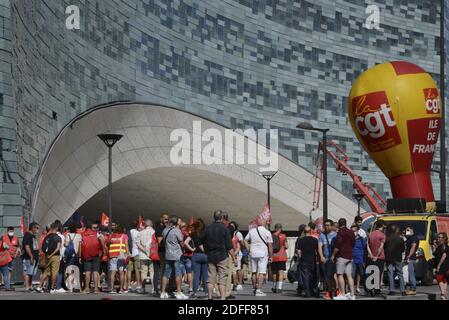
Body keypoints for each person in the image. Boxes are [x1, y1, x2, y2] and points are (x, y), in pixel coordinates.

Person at [203, 210, 234, 300]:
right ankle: (222, 297)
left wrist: (206, 250)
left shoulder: (208, 228)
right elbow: (229, 246)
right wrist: (234, 257)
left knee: (210, 277)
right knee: (222, 277)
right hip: (222, 256)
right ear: (222, 218)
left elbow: (202, 240)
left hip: (210, 255)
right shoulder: (225, 229)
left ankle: (209, 297)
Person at [160, 215, 188, 300]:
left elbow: (164, 241)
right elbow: (181, 243)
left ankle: (163, 292)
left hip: (168, 254)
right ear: (176, 222)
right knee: (178, 273)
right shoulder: (177, 231)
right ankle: (179, 292)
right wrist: (185, 248)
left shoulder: (165, 230)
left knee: (166, 274)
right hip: (177, 255)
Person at [245, 218, 273, 297]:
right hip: (263, 253)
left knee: (254, 272)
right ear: (264, 224)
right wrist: (271, 256)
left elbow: (245, 240)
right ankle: (259, 290)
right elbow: (270, 245)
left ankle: (254, 288)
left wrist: (249, 249)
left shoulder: (252, 231)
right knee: (262, 272)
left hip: (253, 253)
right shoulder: (267, 232)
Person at [331, 218, 356, 300]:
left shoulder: (340, 232)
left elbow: (338, 244)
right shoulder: (351, 232)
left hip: (342, 256)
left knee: (340, 274)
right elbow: (353, 243)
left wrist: (333, 255)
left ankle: (343, 294)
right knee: (349, 275)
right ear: (346, 223)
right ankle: (352, 295)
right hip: (350, 256)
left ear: (339, 224)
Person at [81, 221, 104, 294]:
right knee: (95, 271)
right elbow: (102, 240)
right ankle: (96, 289)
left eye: (97, 227)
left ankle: (87, 288)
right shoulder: (97, 234)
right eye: (95, 228)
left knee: (87, 272)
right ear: (91, 228)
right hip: (96, 254)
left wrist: (80, 255)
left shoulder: (83, 234)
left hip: (86, 255)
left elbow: (81, 244)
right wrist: (103, 249)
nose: (96, 229)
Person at [296, 226, 319, 298]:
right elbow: (317, 251)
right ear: (310, 231)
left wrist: (299, 258)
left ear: (304, 232)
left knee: (305, 277)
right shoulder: (315, 240)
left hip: (304, 260)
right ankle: (312, 291)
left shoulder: (301, 240)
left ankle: (307, 292)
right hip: (312, 261)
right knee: (312, 276)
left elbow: (299, 251)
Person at [384, 224, 406, 296]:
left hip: (389, 257)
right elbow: (403, 249)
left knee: (390, 273)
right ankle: (402, 290)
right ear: (397, 231)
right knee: (400, 273)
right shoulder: (400, 239)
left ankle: (391, 290)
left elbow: (385, 248)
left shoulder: (387, 238)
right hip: (397, 257)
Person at [318, 219, 337, 299]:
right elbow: (319, 246)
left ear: (332, 226)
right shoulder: (322, 235)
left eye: (328, 225)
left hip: (334, 259)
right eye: (325, 225)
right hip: (326, 258)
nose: (326, 227)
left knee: (335, 276)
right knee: (327, 276)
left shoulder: (335, 235)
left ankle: (336, 290)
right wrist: (321, 256)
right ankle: (329, 291)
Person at [108, 225, 129, 294]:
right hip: (121, 256)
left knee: (112, 273)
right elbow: (126, 245)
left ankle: (111, 289)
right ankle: (121, 289)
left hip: (112, 256)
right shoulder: (124, 236)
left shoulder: (111, 236)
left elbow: (108, 244)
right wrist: (127, 254)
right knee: (121, 273)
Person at [42, 223, 62, 294]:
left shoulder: (47, 237)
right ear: (56, 228)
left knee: (46, 272)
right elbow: (58, 248)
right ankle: (52, 288)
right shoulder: (58, 237)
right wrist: (52, 255)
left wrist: (48, 255)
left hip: (47, 256)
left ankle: (40, 286)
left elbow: (43, 247)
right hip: (55, 256)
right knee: (54, 273)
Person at [367, 219, 386, 296]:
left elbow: (367, 245)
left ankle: (371, 289)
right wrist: (377, 256)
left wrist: (371, 254)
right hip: (380, 257)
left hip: (371, 257)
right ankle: (377, 289)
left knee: (372, 273)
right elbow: (381, 247)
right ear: (382, 226)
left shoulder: (371, 234)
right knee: (378, 273)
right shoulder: (382, 235)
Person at [189, 219, 208, 297]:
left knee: (196, 275)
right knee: (205, 275)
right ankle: (207, 292)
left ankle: (195, 292)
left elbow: (186, 242)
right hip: (205, 255)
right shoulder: (206, 233)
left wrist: (192, 249)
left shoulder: (193, 234)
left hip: (196, 254)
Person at [136, 219, 154, 292]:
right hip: (152, 254)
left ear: (145, 225)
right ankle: (153, 288)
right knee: (152, 271)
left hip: (143, 254)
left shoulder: (141, 232)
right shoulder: (154, 232)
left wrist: (144, 250)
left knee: (143, 271)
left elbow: (137, 243)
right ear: (151, 224)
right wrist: (149, 251)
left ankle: (143, 288)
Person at [64, 223, 82, 292]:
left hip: (70, 255)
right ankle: (78, 287)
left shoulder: (68, 235)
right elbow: (80, 247)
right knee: (77, 271)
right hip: (77, 256)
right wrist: (80, 256)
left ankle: (70, 287)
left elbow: (66, 245)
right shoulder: (79, 236)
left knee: (69, 271)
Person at [22, 222, 40, 292]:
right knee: (28, 272)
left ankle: (30, 286)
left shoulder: (33, 236)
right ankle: (27, 287)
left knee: (31, 273)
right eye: (36, 228)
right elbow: (27, 246)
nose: (37, 230)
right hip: (29, 257)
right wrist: (31, 256)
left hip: (35, 257)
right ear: (32, 228)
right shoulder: (27, 236)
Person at [271, 223, 288, 294]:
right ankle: (280, 288)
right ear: (280, 228)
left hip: (274, 256)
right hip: (282, 256)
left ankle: (274, 287)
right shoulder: (284, 236)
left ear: (275, 228)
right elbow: (286, 246)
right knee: (280, 272)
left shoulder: (272, 236)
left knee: (274, 272)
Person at [127, 221, 143, 293]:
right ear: (137, 226)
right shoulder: (138, 233)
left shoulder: (128, 232)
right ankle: (138, 285)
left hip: (130, 253)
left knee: (129, 270)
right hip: (137, 252)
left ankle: (128, 285)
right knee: (137, 270)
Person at [155, 213, 170, 293]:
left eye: (167, 219)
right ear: (161, 219)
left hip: (167, 251)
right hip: (162, 251)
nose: (167, 220)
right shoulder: (159, 228)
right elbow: (160, 242)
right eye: (165, 219)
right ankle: (162, 289)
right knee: (164, 270)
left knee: (167, 270)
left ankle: (166, 288)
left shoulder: (166, 228)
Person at [433, 232, 449, 300]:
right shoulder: (439, 246)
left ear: (444, 238)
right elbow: (435, 254)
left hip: (444, 264)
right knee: (444, 279)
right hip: (441, 264)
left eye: (440, 237)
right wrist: (434, 247)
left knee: (438, 277)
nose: (438, 238)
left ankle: (443, 294)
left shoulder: (445, 246)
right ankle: (443, 295)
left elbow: (444, 256)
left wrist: (439, 266)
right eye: (438, 237)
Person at [351, 223, 366, 295]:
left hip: (360, 259)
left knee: (362, 274)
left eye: (354, 231)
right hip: (352, 260)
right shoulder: (350, 239)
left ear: (357, 231)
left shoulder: (361, 239)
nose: (353, 233)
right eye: (352, 231)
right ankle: (352, 290)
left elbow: (364, 248)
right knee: (352, 275)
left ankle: (366, 288)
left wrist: (364, 260)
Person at [229, 221, 244, 292]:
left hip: (237, 254)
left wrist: (234, 254)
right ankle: (235, 283)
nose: (231, 227)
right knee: (234, 270)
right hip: (232, 254)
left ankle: (239, 283)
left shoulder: (237, 234)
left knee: (237, 269)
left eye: (233, 226)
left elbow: (241, 244)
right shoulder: (230, 234)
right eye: (230, 226)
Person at [180, 220, 194, 295]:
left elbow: (182, 244)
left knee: (179, 273)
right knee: (189, 272)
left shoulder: (179, 234)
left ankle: (178, 288)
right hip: (189, 255)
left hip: (181, 255)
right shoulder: (188, 234)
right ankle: (191, 288)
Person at [404, 224, 418, 296]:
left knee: (411, 274)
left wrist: (408, 256)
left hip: (411, 258)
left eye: (408, 230)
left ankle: (413, 289)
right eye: (406, 230)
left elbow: (413, 246)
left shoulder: (413, 238)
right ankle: (410, 288)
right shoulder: (409, 238)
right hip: (409, 258)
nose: (406, 231)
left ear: (412, 230)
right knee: (409, 273)